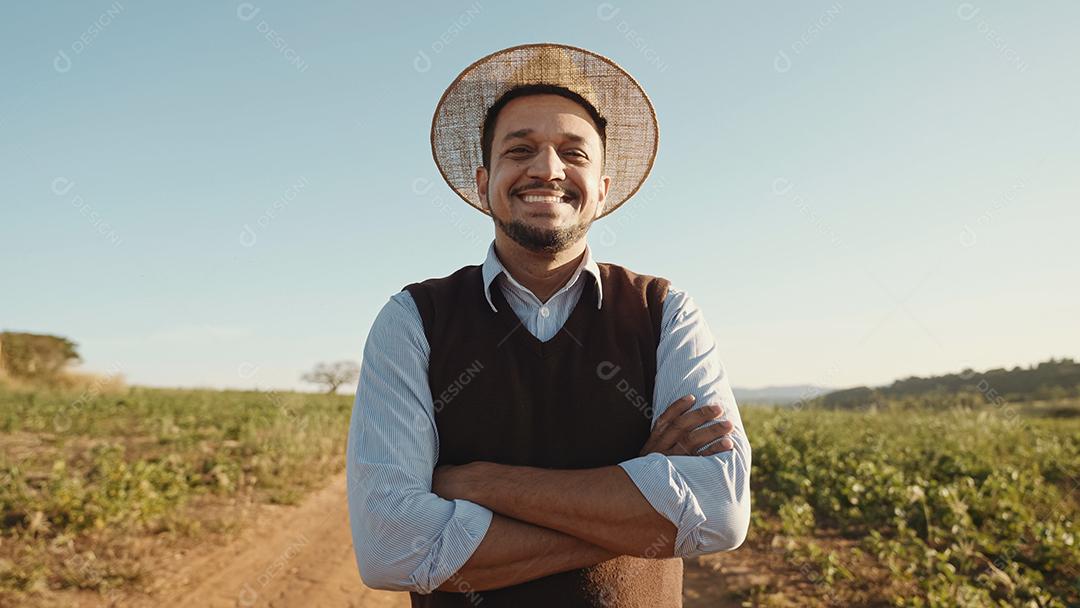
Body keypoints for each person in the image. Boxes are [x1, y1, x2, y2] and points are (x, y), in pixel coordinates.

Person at [347, 43, 751, 607]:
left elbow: (721, 514)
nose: (547, 169)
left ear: (603, 190)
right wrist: (633, 500)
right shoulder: (414, 319)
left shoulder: (665, 312)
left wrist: (480, 484)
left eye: (574, 153)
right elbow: (393, 551)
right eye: (521, 150)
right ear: (485, 181)